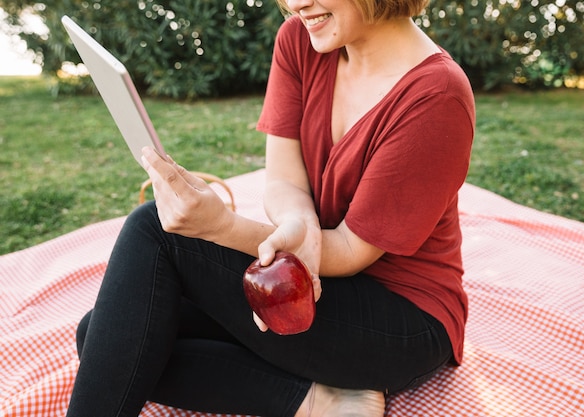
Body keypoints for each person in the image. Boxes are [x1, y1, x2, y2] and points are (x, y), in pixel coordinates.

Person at [65, 0, 475, 416]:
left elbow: (351, 252)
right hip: (312, 283)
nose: (296, 4)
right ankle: (316, 400)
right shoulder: (303, 39)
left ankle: (336, 384)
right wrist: (300, 222)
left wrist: (221, 227)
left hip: (401, 322)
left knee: (153, 230)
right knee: (107, 336)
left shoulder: (437, 96)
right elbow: (283, 179)